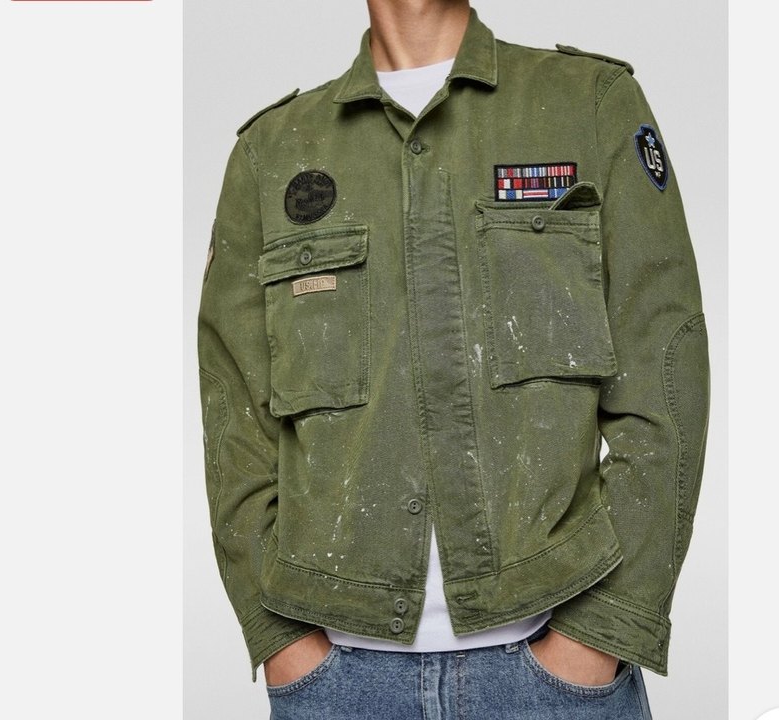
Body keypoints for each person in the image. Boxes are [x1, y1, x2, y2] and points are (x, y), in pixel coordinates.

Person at [197, 1, 709, 717]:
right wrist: (282, 642)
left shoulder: (589, 104)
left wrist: (598, 637)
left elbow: (664, 375)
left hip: (555, 674)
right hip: (338, 685)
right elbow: (235, 416)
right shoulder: (271, 151)